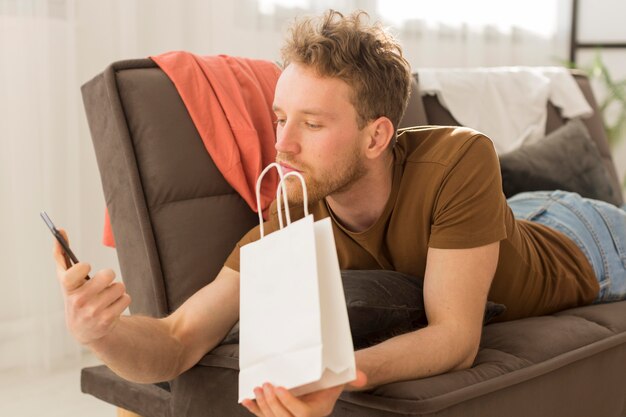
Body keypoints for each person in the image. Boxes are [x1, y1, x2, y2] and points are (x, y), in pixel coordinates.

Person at [53, 9, 626, 417]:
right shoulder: (294, 207)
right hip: (506, 221)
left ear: (377, 136)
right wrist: (100, 333)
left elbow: (456, 337)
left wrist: (340, 377)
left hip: (587, 241)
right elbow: (178, 338)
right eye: (281, 117)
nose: (282, 146)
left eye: (313, 123)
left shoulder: (460, 154)